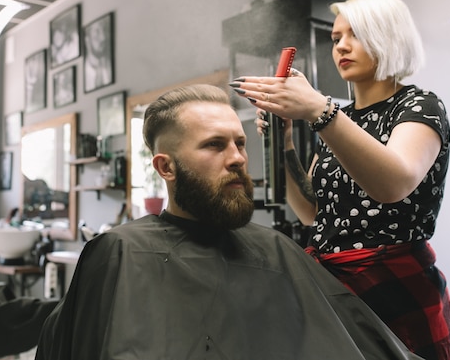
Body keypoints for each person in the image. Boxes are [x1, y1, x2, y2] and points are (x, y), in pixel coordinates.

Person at [35, 84, 422, 360]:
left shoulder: (277, 250)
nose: (237, 157)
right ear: (165, 167)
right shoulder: (120, 252)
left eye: (240, 143)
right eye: (214, 144)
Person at [230, 0, 450, 360]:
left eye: (356, 34)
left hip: (395, 288)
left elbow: (394, 183)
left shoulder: (419, 106)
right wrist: (285, 141)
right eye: (337, 38)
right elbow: (311, 211)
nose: (342, 46)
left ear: (389, 36)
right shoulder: (343, 119)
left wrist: (321, 111)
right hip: (331, 288)